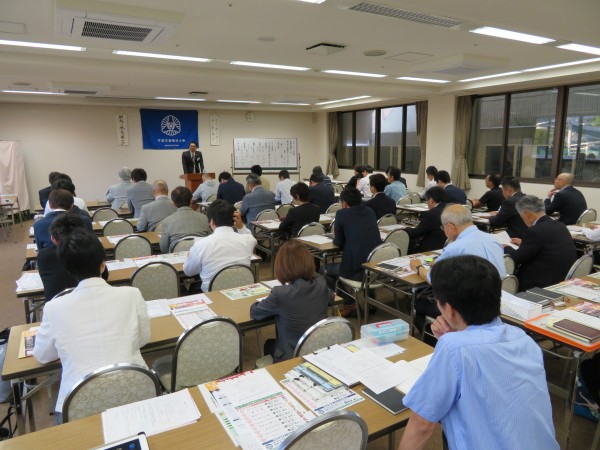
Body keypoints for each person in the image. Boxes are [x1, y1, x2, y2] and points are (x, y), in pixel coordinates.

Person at [398, 255, 559, 450]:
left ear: (449, 309)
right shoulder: (523, 339)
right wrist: (458, 335)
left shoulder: (453, 348)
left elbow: (422, 425)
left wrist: (455, 339)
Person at [33, 228, 150, 425]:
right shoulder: (132, 294)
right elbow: (143, 339)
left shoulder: (54, 308)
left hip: (78, 405)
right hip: (138, 390)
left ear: (68, 269)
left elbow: (43, 356)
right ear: (103, 265)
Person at [250, 240, 332, 362]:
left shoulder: (280, 294)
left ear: (282, 267)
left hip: (292, 357)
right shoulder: (322, 284)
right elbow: (330, 297)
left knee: (269, 344)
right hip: (317, 350)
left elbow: (255, 312)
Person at [410, 204, 506, 283]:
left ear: (450, 227)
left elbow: (434, 279)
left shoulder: (455, 248)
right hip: (498, 294)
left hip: (469, 298)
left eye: (443, 227)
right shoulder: (493, 239)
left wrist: (418, 267)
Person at [323, 188, 381, 316]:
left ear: (344, 203)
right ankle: (371, 302)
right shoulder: (370, 211)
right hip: (375, 268)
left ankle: (349, 302)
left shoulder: (342, 214)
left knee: (324, 270)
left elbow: (339, 242)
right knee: (366, 255)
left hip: (357, 269)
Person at [505, 195, 577, 291]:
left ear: (527, 214)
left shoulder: (535, 231)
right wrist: (524, 243)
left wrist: (506, 247)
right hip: (563, 277)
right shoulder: (560, 225)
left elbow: (518, 258)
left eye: (521, 216)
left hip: (542, 282)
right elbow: (545, 244)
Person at [183, 200, 257, 292]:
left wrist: (191, 257)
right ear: (234, 220)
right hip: (242, 293)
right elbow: (251, 238)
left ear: (212, 222)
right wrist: (241, 226)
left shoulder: (201, 244)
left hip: (213, 296)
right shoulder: (247, 240)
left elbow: (188, 272)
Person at [160, 186, 211, 253]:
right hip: (201, 256)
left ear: (174, 203)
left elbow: (163, 248)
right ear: (191, 201)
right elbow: (210, 240)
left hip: (177, 258)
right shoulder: (204, 218)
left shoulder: (167, 221)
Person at [406, 186, 447, 253]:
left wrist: (405, 229)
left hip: (431, 249)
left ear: (431, 200)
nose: (427, 203)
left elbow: (417, 232)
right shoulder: (451, 208)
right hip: (447, 247)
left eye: (427, 200)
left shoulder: (432, 213)